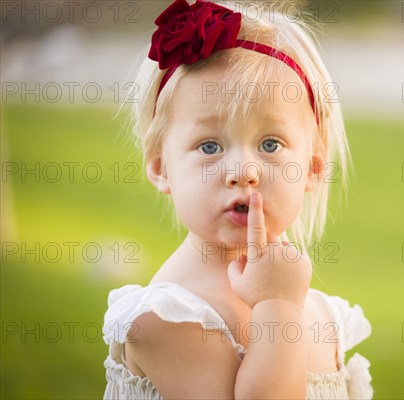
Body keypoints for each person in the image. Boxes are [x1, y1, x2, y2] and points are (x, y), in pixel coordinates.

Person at [101, 0, 372, 398]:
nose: (243, 170)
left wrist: (283, 300)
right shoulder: (168, 318)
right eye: (209, 146)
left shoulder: (316, 310)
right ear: (162, 168)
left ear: (312, 169)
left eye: (270, 143)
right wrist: (278, 307)